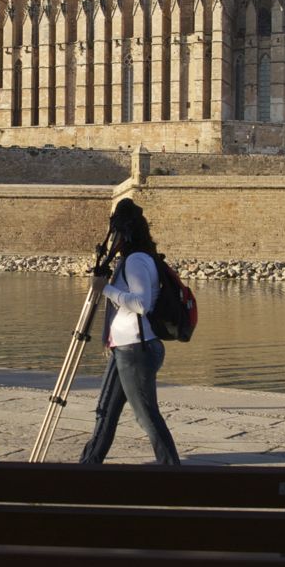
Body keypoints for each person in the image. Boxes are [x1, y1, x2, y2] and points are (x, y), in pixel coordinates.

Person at [79, 199, 181, 466]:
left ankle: (172, 469)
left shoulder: (136, 261)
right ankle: (88, 465)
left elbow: (140, 303)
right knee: (105, 411)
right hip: (124, 349)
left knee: (146, 415)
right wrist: (109, 338)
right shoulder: (135, 258)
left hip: (137, 349)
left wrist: (105, 289)